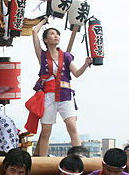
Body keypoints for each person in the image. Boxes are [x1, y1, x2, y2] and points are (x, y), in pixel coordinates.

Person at [29, 19, 92, 157]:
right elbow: (34, 31)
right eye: (52, 34)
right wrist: (44, 21)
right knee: (45, 131)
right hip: (48, 95)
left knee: (72, 126)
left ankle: (79, 155)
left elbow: (76, 73)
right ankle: (43, 161)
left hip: (65, 94)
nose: (56, 36)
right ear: (45, 39)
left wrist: (86, 64)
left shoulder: (66, 56)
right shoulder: (43, 56)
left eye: (57, 34)